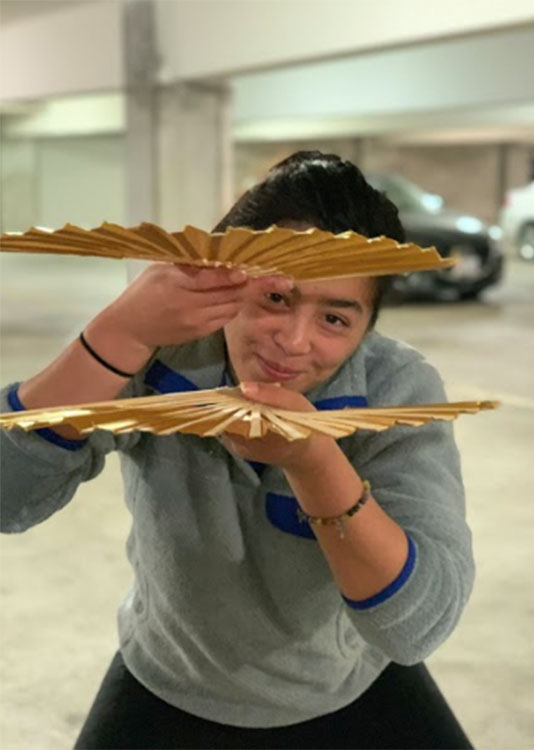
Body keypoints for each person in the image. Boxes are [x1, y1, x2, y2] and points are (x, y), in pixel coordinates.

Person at [0, 151, 475, 749]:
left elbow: (416, 626)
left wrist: (313, 460)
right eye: (275, 299)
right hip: (171, 679)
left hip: (341, 685)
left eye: (334, 318)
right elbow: (6, 495)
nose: (293, 342)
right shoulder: (165, 356)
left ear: (368, 325)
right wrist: (117, 334)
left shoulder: (396, 388)